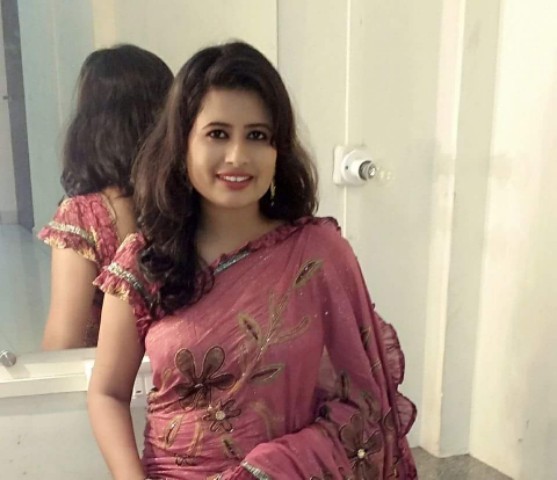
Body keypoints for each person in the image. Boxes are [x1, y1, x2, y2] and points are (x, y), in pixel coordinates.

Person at [88, 41, 417, 480]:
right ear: (182, 144)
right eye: (217, 134)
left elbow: (364, 399)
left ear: (279, 149)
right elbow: (108, 393)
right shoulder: (145, 261)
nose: (238, 156)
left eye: (257, 135)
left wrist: (267, 469)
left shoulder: (317, 255)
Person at [38, 44, 173, 350]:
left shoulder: (85, 215)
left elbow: (63, 339)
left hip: (109, 374)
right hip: (180, 368)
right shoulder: (181, 200)